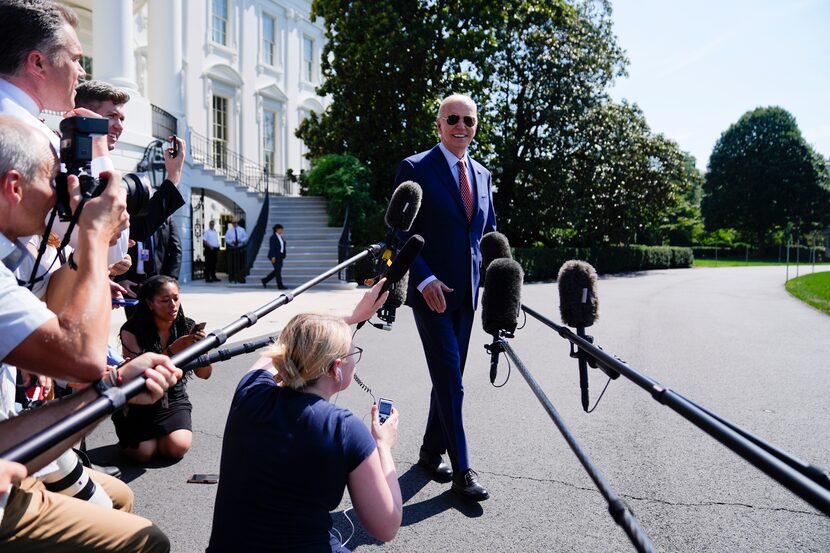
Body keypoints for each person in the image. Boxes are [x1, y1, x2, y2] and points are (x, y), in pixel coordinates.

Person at [0, 114, 179, 551]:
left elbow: (59, 310)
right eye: (51, 179)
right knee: (147, 540)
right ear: (13, 187)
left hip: (7, 438)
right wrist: (95, 237)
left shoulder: (18, 254)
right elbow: (82, 357)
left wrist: (114, 384)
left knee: (122, 495)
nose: (59, 195)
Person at [207, 281, 401, 553]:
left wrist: (352, 318)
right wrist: (383, 446)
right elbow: (387, 526)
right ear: (336, 369)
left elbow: (278, 350)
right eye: (352, 352)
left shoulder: (250, 392)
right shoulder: (344, 429)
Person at [394, 93, 496, 501]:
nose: (460, 126)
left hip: (468, 298)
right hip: (431, 296)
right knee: (452, 380)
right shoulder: (415, 168)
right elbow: (397, 233)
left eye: (468, 121)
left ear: (475, 127)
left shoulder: (484, 176)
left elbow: (489, 239)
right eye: (452, 119)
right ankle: (463, 471)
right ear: (438, 125)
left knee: (446, 380)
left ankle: (428, 454)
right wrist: (423, 279)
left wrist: (502, 292)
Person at [116, 275, 212, 462]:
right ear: (150, 303)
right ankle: (131, 432)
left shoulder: (187, 326)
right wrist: (172, 350)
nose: (173, 305)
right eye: (165, 300)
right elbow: (137, 375)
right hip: (139, 401)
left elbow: (205, 375)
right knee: (143, 453)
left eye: (176, 298)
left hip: (173, 398)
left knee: (176, 448)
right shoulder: (131, 330)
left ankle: (161, 436)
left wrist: (203, 351)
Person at [261, 223, 287, 289]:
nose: (282, 231)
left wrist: (284, 242)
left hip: (280, 256)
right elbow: (272, 247)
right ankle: (280, 285)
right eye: (280, 229)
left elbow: (282, 246)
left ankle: (264, 280)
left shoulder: (280, 237)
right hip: (275, 256)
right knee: (278, 271)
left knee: (277, 271)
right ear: (277, 229)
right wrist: (273, 256)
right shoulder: (273, 237)